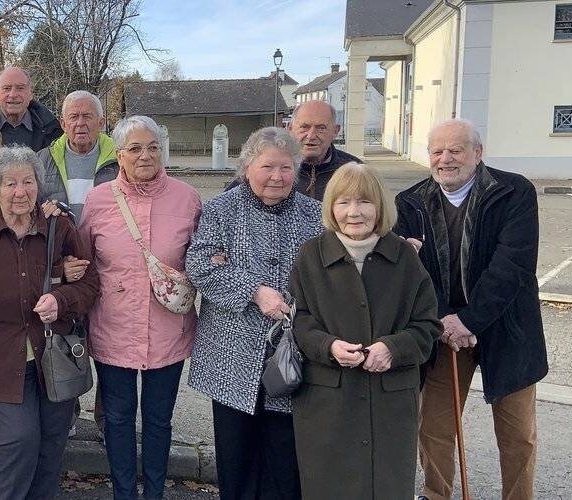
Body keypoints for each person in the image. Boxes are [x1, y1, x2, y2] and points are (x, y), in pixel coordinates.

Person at [395, 119, 547, 500]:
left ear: (477, 154)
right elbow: (417, 274)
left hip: (506, 327)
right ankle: (435, 494)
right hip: (444, 331)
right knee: (434, 427)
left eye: (456, 149)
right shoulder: (410, 202)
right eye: (437, 151)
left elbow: (512, 266)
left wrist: (469, 319)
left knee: (517, 433)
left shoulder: (514, 192)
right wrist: (447, 320)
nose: (445, 158)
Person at [0, 146, 99, 500]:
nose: (20, 191)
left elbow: (89, 285)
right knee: (18, 440)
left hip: (55, 357)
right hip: (1, 360)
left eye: (28, 182)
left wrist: (61, 300)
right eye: (10, 183)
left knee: (52, 442)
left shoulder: (60, 228)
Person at [184, 127, 323, 499]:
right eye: (267, 167)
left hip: (293, 351)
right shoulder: (219, 209)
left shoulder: (316, 215)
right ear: (247, 167)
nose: (276, 176)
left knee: (285, 454)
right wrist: (254, 291)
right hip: (231, 351)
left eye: (286, 167)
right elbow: (200, 265)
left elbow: (328, 276)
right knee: (236, 455)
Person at [288, 162, 441, 499]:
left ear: (380, 207)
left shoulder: (404, 257)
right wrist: (329, 347)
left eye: (364, 202)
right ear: (331, 208)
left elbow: (428, 324)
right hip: (328, 401)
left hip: (390, 403)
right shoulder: (311, 255)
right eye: (343, 203)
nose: (354, 212)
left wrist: (393, 348)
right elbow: (301, 321)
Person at [78, 115, 201, 500]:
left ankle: (155, 493)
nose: (145, 155)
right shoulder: (98, 201)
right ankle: (124, 493)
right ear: (119, 154)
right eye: (135, 148)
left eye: (152, 147)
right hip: (113, 326)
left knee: (159, 421)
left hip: (167, 331)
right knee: (117, 419)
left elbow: (201, 255)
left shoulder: (187, 197)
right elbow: (82, 259)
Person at [225, 100, 361, 201]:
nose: (311, 136)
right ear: (290, 129)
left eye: (321, 128)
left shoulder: (354, 171)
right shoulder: (262, 167)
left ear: (336, 131)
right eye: (305, 127)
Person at [40, 90, 119, 215]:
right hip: (59, 235)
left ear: (101, 123)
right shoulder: (41, 161)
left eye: (87, 116)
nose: (80, 123)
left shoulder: (120, 159)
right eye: (74, 117)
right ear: (63, 124)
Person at [0, 66, 63, 151]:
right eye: (7, 88)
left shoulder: (52, 130)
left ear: (30, 93)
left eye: (20, 88)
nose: (13, 95)